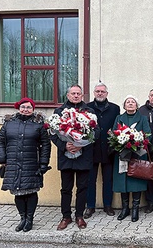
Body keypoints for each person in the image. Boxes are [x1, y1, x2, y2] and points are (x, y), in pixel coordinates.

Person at [0, 98, 51, 232]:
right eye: (23, 107)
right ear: (18, 108)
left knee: (31, 192)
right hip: (13, 163)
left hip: (31, 163)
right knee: (18, 192)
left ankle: (30, 219)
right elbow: (0, 141)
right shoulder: (9, 123)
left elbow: (46, 145)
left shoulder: (39, 124)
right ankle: (22, 218)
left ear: (33, 109)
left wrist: (43, 163)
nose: (25, 109)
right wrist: (1, 158)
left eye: (29, 107)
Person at [52, 85, 99, 231]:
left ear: (82, 96)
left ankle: (79, 216)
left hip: (83, 156)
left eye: (78, 93)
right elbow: (52, 133)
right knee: (66, 188)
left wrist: (81, 145)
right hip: (65, 156)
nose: (76, 96)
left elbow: (96, 132)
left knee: (82, 188)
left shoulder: (89, 111)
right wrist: (64, 145)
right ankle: (66, 216)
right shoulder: (59, 112)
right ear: (68, 95)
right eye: (73, 93)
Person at [84, 82, 120, 219]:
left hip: (108, 150)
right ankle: (90, 206)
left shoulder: (115, 108)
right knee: (90, 180)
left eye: (102, 92)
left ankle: (108, 205)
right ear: (94, 93)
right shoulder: (87, 108)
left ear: (107, 94)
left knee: (108, 180)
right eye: (98, 91)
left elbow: (117, 127)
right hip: (91, 150)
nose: (100, 93)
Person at [113, 95, 151, 222]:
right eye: (127, 102)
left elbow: (148, 135)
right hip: (122, 155)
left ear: (136, 105)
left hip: (137, 154)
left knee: (135, 181)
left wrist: (138, 142)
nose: (130, 104)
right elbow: (114, 133)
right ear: (124, 106)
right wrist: (119, 142)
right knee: (123, 180)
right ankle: (125, 208)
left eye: (132, 102)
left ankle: (135, 208)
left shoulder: (142, 118)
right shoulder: (119, 118)